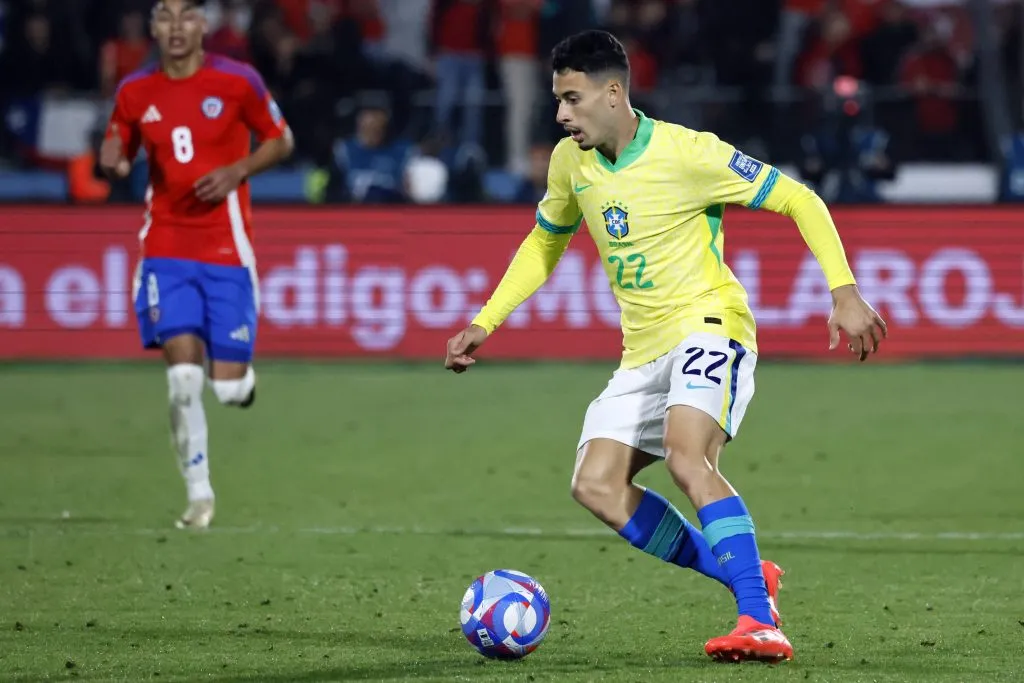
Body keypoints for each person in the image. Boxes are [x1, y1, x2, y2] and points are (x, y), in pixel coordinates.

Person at [444, 30, 887, 663]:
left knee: (687, 458)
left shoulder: (690, 153)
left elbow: (799, 198)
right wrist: (486, 321)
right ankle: (746, 575)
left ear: (613, 93)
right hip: (641, 351)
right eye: (557, 100)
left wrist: (843, 292)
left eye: (571, 98)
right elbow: (546, 240)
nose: (561, 114)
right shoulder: (571, 162)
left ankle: (759, 622)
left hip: (711, 324)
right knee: (595, 486)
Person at [100, 0, 294, 529]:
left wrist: (238, 170)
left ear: (204, 25)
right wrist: (113, 156)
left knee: (227, 389)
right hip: (165, 247)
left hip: (227, 248)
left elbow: (283, 139)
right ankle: (199, 495)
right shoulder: (135, 91)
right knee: (182, 377)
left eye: (187, 15)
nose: (176, 26)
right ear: (153, 26)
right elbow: (117, 136)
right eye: (165, 15)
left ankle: (241, 383)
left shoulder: (238, 81)